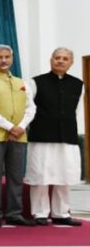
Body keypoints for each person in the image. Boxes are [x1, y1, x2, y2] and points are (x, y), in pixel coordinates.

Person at [0, 44, 37, 227]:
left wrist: (21, 127)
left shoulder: (23, 83)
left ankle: (14, 213)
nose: (4, 60)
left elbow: (31, 108)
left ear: (12, 59)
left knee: (16, 177)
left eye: (7, 57)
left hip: (19, 136)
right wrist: (11, 127)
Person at [25, 48, 84, 226]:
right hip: (41, 137)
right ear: (51, 60)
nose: (60, 61)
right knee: (40, 176)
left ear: (71, 62)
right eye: (57, 58)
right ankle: (40, 213)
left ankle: (61, 213)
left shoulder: (78, 83)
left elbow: (76, 110)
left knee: (64, 176)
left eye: (65, 59)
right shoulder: (35, 82)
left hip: (67, 136)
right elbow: (28, 109)